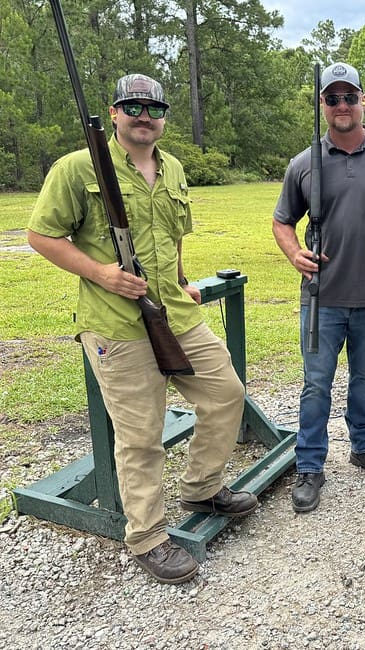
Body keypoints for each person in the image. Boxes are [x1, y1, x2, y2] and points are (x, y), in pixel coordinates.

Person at [27, 74, 257, 585]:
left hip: (175, 312)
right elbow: (41, 235)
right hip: (116, 324)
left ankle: (201, 487)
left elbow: (172, 237)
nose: (144, 115)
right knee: (141, 436)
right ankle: (148, 536)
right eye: (132, 106)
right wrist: (102, 273)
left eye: (154, 107)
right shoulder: (78, 167)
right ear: (114, 113)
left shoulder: (172, 167)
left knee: (226, 392)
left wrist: (179, 280)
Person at [273, 62, 365, 513]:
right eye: (332, 98)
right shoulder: (304, 163)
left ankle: (363, 445)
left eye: (349, 96)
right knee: (316, 384)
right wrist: (294, 252)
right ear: (322, 105)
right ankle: (310, 466)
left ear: (362, 100)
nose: (341, 105)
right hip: (322, 300)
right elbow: (282, 222)